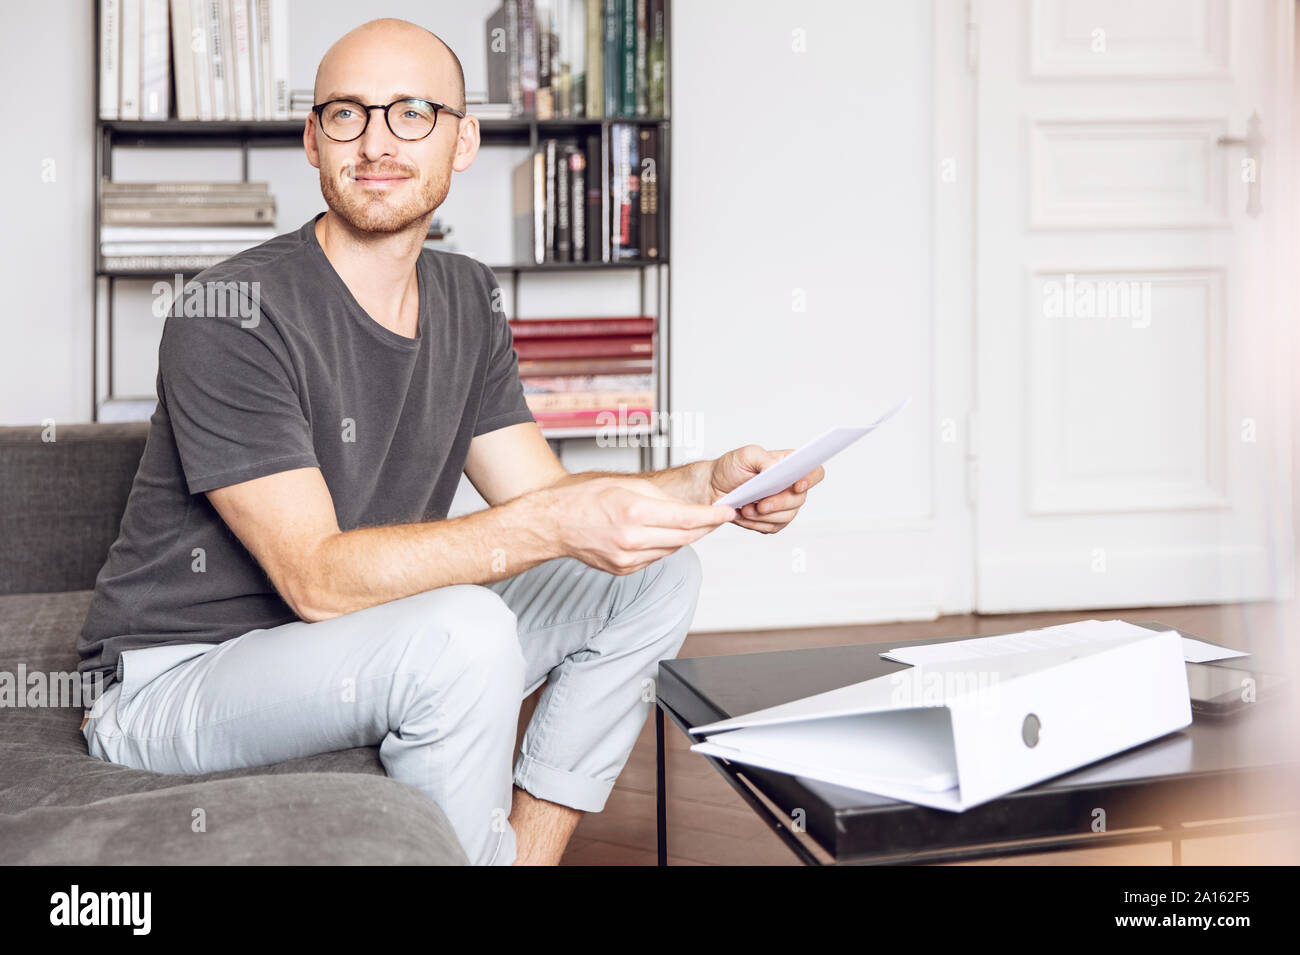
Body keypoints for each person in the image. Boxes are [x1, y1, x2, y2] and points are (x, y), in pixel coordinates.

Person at [77, 18, 823, 865]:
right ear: (313, 142)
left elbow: (537, 496)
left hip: (351, 638)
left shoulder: (467, 295)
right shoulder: (231, 312)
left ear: (463, 140)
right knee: (464, 631)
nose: (378, 140)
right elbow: (317, 579)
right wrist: (548, 529)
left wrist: (705, 483)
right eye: (348, 115)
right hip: (180, 681)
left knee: (655, 578)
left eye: (413, 112)